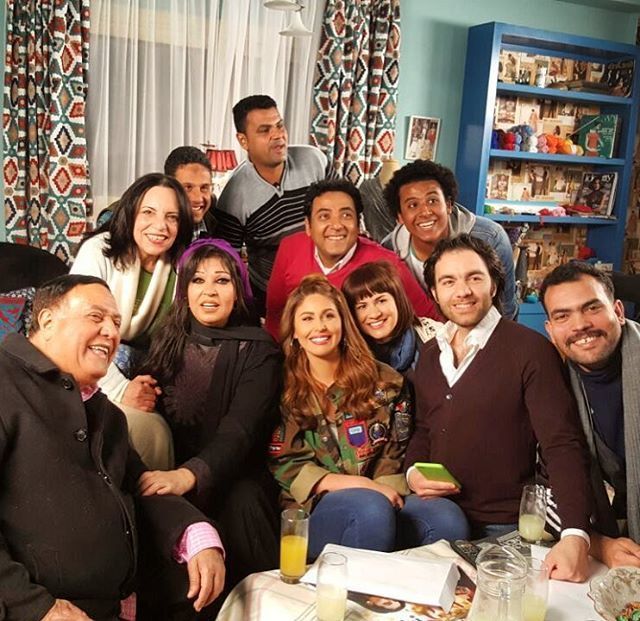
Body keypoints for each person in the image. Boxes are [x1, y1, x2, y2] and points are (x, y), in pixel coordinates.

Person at [0, 274, 224, 620]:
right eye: (96, 317)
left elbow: (141, 485)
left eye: (117, 323)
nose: (110, 332)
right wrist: (34, 606)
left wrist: (195, 533)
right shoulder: (5, 382)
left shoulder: (106, 413)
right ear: (47, 320)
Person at [404, 234, 594, 582]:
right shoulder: (430, 354)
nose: (462, 291)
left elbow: (561, 444)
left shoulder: (531, 350)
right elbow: (423, 429)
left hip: (506, 524)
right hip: (439, 513)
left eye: (474, 277)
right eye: (448, 281)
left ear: (493, 285)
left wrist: (574, 534)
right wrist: (412, 471)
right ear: (434, 292)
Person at [269, 275, 468, 559]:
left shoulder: (386, 382)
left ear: (344, 323)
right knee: (370, 509)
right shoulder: (280, 386)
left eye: (329, 316)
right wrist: (365, 487)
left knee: (447, 517)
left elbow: (395, 451)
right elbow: (286, 465)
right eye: (307, 318)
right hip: (314, 508)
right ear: (295, 332)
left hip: (384, 494)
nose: (320, 326)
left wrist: (380, 488)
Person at [137, 239, 281, 588]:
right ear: (184, 291)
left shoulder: (260, 350)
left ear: (238, 290)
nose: (209, 291)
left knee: (242, 502)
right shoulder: (166, 340)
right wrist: (135, 392)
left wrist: (188, 475)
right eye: (198, 280)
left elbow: (241, 430)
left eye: (222, 280)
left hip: (234, 476)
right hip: (169, 471)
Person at [71, 172, 193, 469]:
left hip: (152, 374)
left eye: (172, 217)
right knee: (152, 431)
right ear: (131, 213)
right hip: (88, 369)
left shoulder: (184, 266)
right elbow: (78, 332)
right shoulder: (99, 251)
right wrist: (121, 390)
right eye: (148, 212)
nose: (160, 226)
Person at [540, 261, 640, 569]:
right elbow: (542, 487)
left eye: (592, 308)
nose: (580, 325)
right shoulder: (551, 383)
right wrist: (597, 544)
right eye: (563, 316)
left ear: (618, 312)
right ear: (551, 331)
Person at [265, 178, 439, 338]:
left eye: (346, 215)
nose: (336, 225)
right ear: (308, 226)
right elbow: (275, 316)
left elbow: (432, 320)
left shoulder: (388, 264)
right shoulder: (290, 248)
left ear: (358, 225)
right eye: (324, 216)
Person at [213, 95, 332, 312]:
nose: (278, 135)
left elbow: (345, 212)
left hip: (329, 289)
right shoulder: (233, 198)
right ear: (243, 141)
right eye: (264, 130)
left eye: (279, 126)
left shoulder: (315, 161)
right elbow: (228, 265)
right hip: (273, 301)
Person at [382, 160, 517, 319]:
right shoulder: (389, 250)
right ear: (399, 217)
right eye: (413, 205)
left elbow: (505, 311)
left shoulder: (490, 238)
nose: (425, 212)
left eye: (432, 201)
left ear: (448, 205)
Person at [342, 261, 441, 373]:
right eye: (362, 306)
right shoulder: (347, 357)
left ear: (398, 300)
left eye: (381, 301)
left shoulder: (437, 336)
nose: (374, 314)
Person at [164, 146, 217, 239]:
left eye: (204, 188)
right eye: (188, 188)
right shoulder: (155, 229)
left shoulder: (221, 228)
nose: (198, 198)